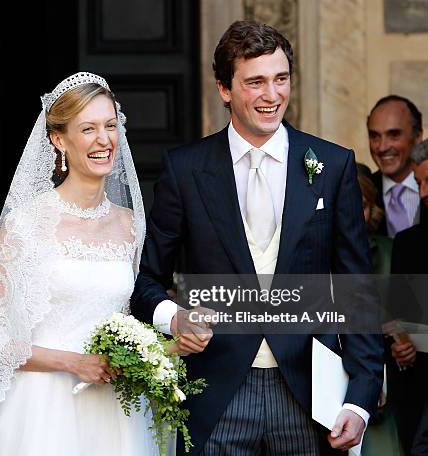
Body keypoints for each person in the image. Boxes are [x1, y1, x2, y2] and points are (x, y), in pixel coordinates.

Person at [131, 21, 383, 455]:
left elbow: (355, 288)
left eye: (281, 79)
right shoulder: (185, 170)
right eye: (256, 82)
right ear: (224, 89)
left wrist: (360, 397)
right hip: (216, 393)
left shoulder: (332, 164)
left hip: (310, 395)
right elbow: (145, 282)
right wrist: (174, 318)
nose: (272, 95)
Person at [0, 72, 156, 455]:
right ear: (58, 139)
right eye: (88, 129)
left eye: (110, 126)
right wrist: (74, 362)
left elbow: (134, 313)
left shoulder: (131, 224)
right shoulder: (26, 223)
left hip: (116, 410)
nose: (104, 140)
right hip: (42, 408)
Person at [387, 139, 428, 454]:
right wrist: (401, 343)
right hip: (419, 389)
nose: (424, 193)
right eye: (419, 183)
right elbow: (397, 315)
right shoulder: (408, 243)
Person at [367, 95, 424, 237]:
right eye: (374, 136)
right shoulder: (358, 193)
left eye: (394, 135)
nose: (382, 147)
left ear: (417, 137)